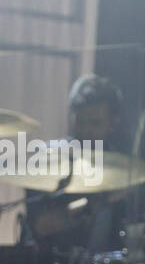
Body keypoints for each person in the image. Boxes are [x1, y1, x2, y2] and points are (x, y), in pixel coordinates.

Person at [22, 74, 133, 253]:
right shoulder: (47, 159)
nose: (86, 130)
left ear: (113, 123)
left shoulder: (123, 168)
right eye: (80, 122)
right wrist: (95, 203)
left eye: (95, 123)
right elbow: (40, 226)